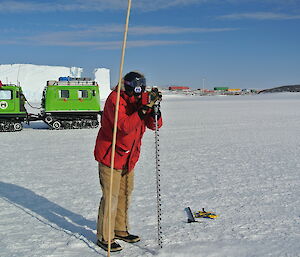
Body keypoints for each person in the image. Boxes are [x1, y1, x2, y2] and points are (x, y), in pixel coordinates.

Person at [94, 71, 163, 252]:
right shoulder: (115, 100)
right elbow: (123, 127)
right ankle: (104, 236)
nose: (139, 94)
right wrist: (142, 109)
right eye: (136, 90)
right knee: (111, 196)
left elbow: (154, 125)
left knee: (125, 194)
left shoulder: (138, 99)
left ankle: (120, 229)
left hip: (129, 157)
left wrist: (154, 110)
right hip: (111, 156)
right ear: (129, 86)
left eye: (142, 91)